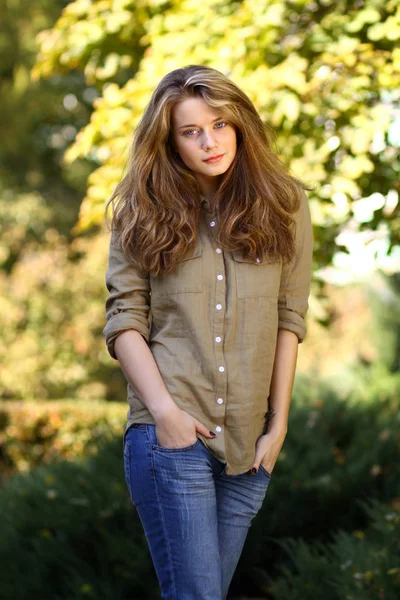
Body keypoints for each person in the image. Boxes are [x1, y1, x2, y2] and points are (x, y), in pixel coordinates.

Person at [103, 64, 313, 600]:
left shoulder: (286, 205)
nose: (209, 141)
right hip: (171, 436)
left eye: (219, 124)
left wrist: (278, 425)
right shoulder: (140, 210)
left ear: (240, 123)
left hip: (251, 447)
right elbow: (124, 320)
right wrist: (167, 415)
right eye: (190, 131)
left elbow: (290, 318)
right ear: (170, 142)